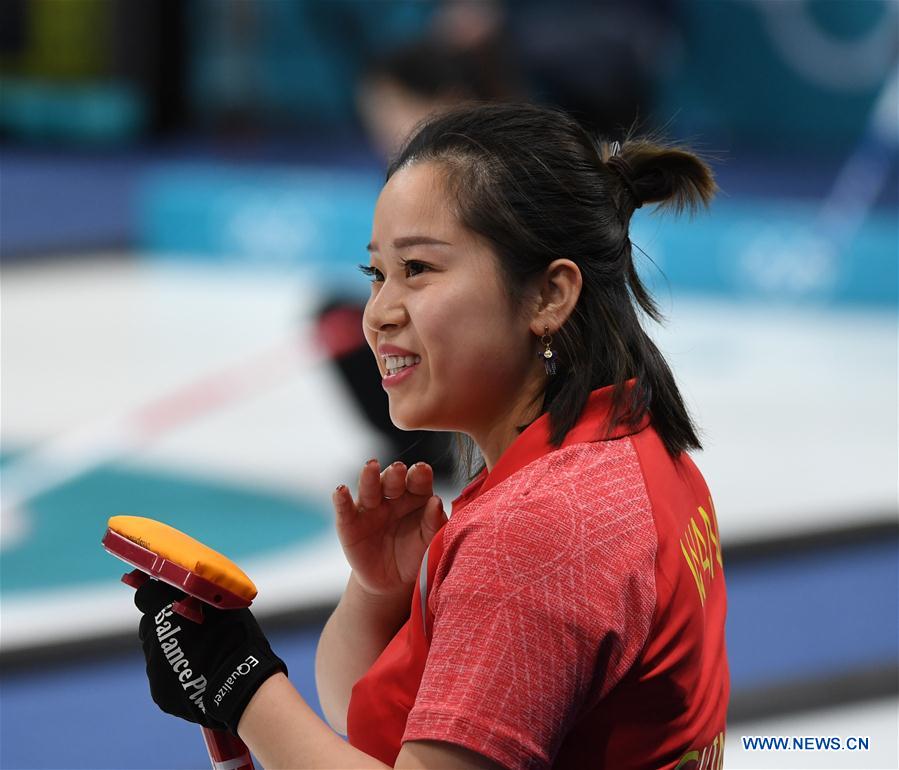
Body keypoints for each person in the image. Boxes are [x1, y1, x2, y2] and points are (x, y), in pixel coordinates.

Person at [134, 101, 729, 770]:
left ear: (548, 297)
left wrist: (236, 684)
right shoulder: (632, 452)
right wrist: (384, 595)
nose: (379, 314)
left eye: (418, 269)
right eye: (376, 274)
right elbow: (374, 724)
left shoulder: (541, 528)